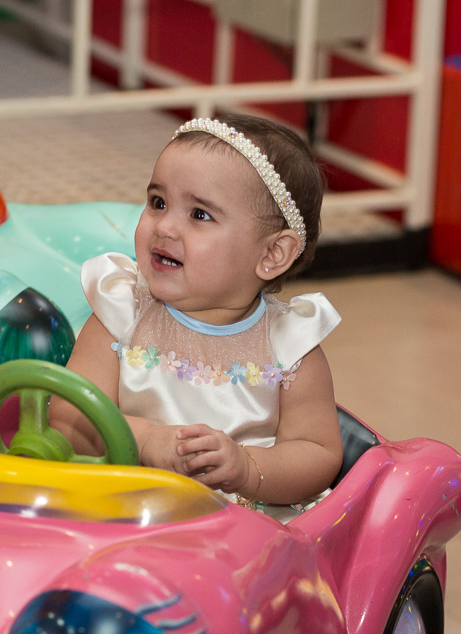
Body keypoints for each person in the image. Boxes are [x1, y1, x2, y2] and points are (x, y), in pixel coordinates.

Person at [51, 114, 343, 519]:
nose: (165, 227)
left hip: (239, 530)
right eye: (158, 203)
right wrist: (145, 439)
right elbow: (68, 418)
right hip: (122, 512)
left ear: (272, 254)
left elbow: (318, 454)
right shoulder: (121, 313)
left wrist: (247, 468)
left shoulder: (290, 346)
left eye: (200, 214)